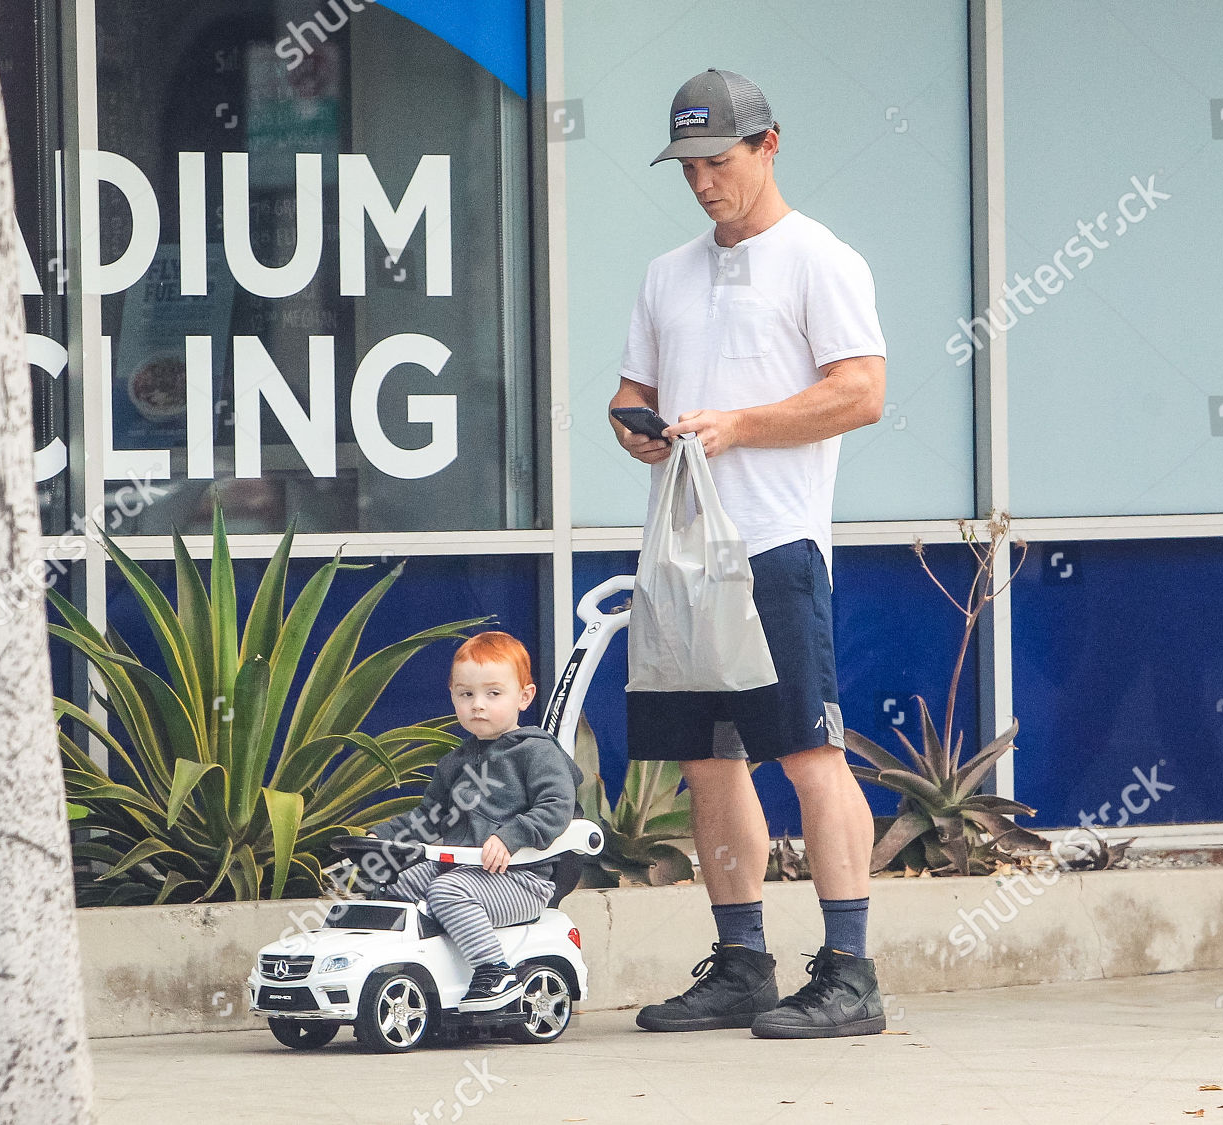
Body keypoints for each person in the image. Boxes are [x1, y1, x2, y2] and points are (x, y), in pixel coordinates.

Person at [609, 68, 888, 1039]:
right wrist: (637, 430)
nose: (700, 182)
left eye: (717, 161)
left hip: (774, 548)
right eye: (686, 164)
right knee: (708, 764)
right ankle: (742, 964)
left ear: (770, 146)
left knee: (811, 753)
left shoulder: (822, 260)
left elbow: (861, 392)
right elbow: (625, 396)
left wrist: (741, 426)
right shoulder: (665, 273)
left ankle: (851, 974)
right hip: (682, 557)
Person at [368, 631, 583, 1003]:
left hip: (521, 881)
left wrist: (512, 835)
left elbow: (556, 807)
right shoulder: (455, 762)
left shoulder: (536, 753)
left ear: (524, 697)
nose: (477, 705)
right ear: (452, 694)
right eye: (466, 694)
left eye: (493, 694)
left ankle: (494, 972)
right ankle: (412, 966)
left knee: (445, 891)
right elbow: (429, 818)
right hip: (460, 872)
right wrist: (379, 838)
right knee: (390, 885)